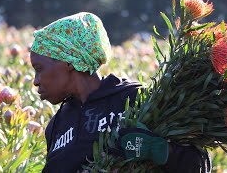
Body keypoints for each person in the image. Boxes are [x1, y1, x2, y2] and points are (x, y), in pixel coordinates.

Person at [30, 12, 211, 173]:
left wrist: (157, 149)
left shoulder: (136, 99)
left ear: (69, 62)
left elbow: (199, 165)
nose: (36, 81)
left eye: (39, 69)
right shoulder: (57, 125)